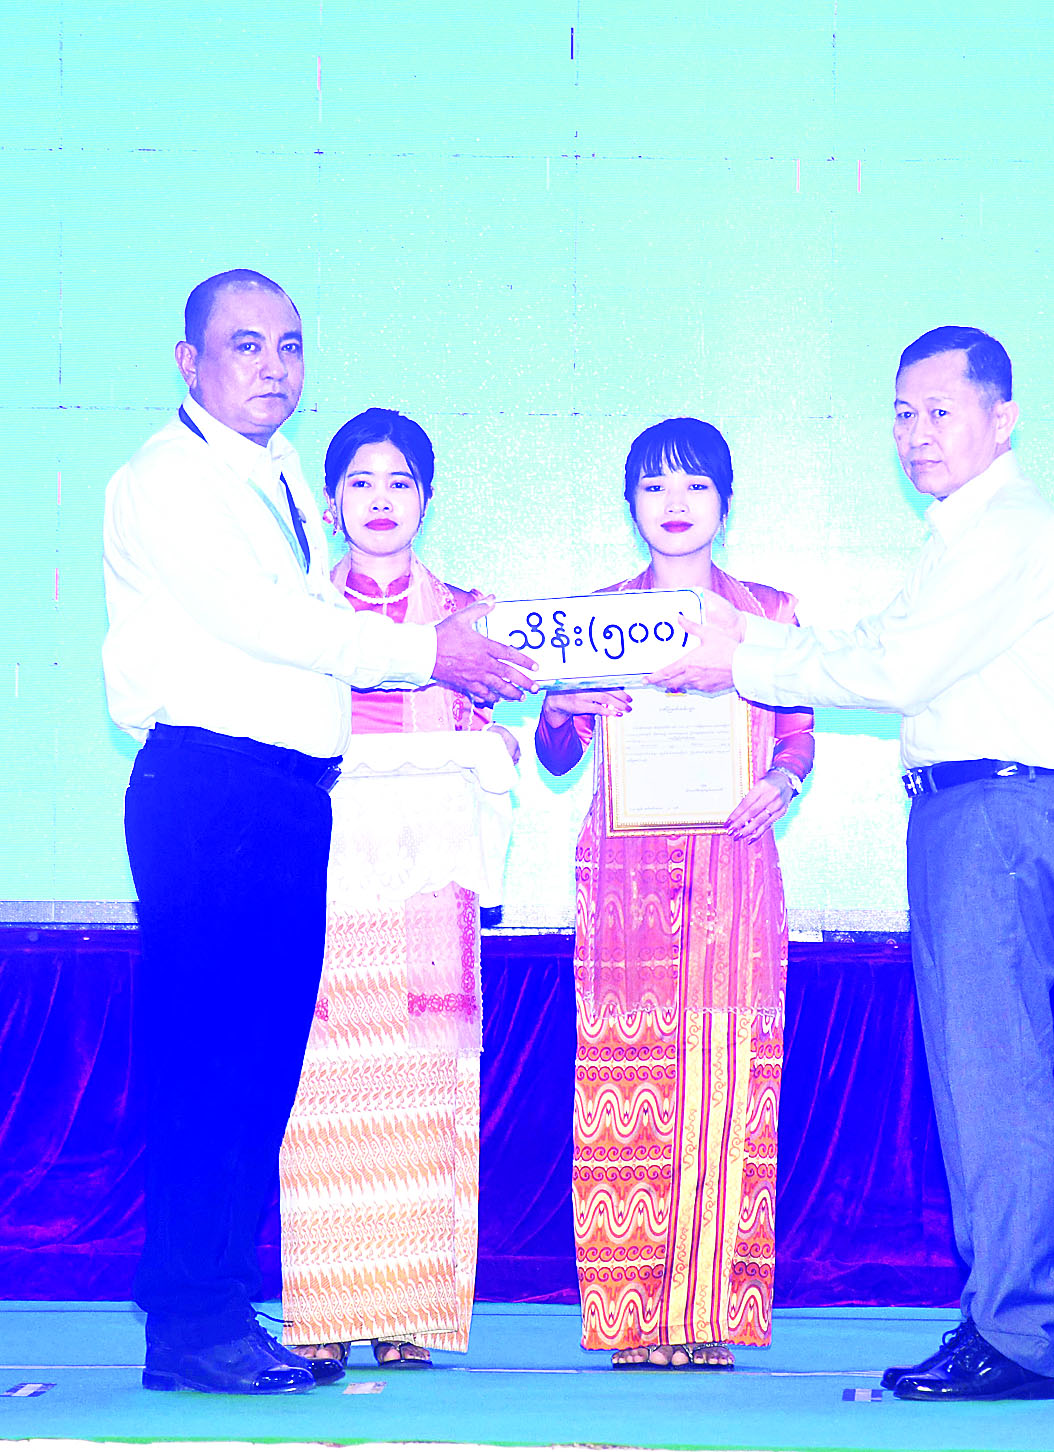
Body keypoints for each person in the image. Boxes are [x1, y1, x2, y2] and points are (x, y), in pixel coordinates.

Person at [102, 271, 533, 1396]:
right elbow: (271, 624)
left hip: (284, 796)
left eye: (289, 346)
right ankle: (189, 1322)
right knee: (213, 1059)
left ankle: (216, 1307)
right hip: (211, 789)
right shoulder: (168, 478)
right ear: (190, 362)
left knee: (257, 1064)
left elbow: (310, 615)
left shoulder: (282, 471)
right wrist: (434, 652)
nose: (273, 367)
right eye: (245, 345)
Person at [652, 328, 1054, 1401]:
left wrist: (739, 655)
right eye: (903, 413)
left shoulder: (1009, 531)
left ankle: (1016, 1336)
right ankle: (994, 1320)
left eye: (942, 411)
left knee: (994, 1076)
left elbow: (894, 667)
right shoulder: (961, 535)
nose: (917, 434)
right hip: (966, 812)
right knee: (974, 1076)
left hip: (996, 811)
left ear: (1002, 418)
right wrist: (750, 641)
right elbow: (878, 641)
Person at [535, 418, 815, 1370]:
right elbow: (557, 754)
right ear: (630, 504)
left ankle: (708, 1317)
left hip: (735, 869)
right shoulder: (594, 616)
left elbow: (796, 735)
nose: (675, 503)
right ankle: (630, 1320)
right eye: (654, 486)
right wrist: (561, 709)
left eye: (695, 485)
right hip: (625, 881)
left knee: (729, 1084)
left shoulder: (766, 613)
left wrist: (783, 781)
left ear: (725, 503)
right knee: (628, 1081)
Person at [279, 409, 518, 1369]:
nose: (381, 501)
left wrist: (510, 737)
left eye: (400, 483)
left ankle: (413, 1313)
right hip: (325, 875)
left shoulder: (471, 615)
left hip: (432, 879)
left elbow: (507, 731)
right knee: (321, 1093)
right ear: (332, 501)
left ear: (426, 498)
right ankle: (325, 1316)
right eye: (361, 483)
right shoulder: (299, 613)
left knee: (428, 1087)